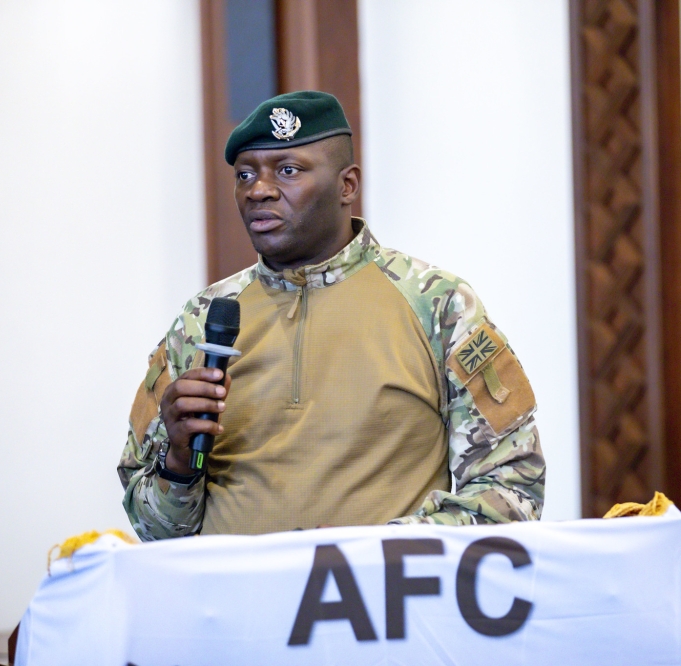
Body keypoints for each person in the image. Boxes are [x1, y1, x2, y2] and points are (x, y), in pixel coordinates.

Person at [118, 91, 545, 540]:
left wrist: (370, 549)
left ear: (347, 186)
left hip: (379, 601)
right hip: (232, 604)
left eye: (288, 170)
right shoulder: (202, 320)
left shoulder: (438, 303)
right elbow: (153, 532)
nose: (258, 190)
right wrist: (180, 466)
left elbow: (511, 491)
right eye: (245, 174)